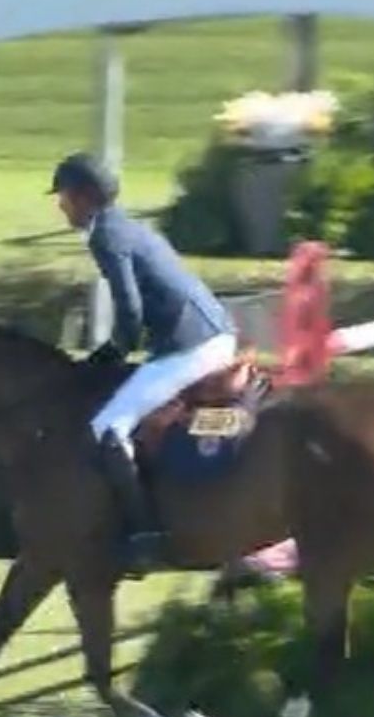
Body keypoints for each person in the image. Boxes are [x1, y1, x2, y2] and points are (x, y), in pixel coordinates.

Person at [50, 152, 238, 578]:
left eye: (63, 197)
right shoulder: (129, 226)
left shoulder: (105, 236)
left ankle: (144, 537)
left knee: (108, 427)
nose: (61, 207)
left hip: (190, 346)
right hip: (207, 336)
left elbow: (130, 311)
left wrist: (113, 351)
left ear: (83, 197)